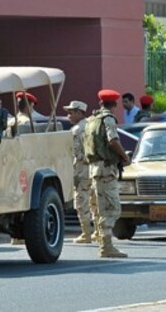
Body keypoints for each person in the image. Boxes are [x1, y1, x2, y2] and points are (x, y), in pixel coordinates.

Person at [84, 89, 131, 258]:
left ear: (100, 103)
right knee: (111, 208)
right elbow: (113, 140)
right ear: (115, 104)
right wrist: (124, 156)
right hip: (105, 169)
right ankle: (106, 245)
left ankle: (101, 239)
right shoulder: (108, 119)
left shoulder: (91, 120)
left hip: (94, 168)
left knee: (99, 207)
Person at [64, 100, 99, 244]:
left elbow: (77, 153)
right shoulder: (91, 125)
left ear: (79, 113)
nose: (68, 116)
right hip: (94, 169)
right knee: (94, 202)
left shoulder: (77, 130)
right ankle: (98, 231)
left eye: (71, 113)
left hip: (81, 170)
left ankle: (86, 233)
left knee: (81, 202)